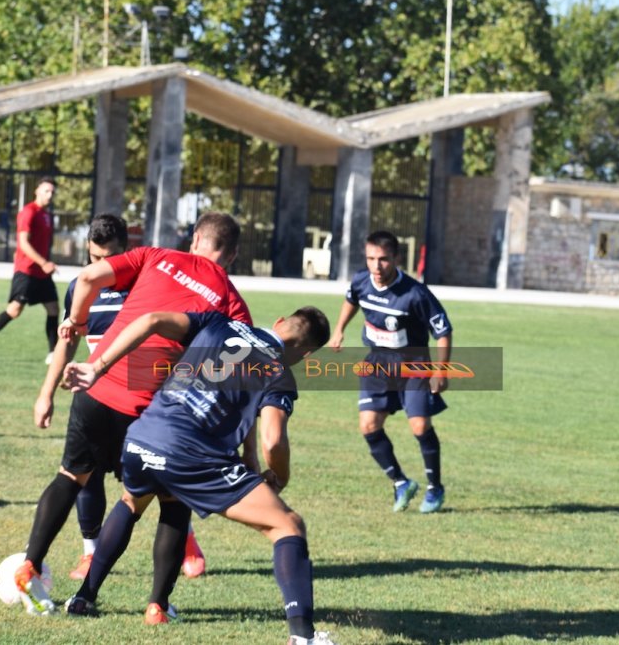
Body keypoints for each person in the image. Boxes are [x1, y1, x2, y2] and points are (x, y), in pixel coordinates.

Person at [12, 212, 251, 617]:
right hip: (153, 415)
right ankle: (157, 604)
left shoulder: (155, 255)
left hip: (97, 389)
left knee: (71, 476)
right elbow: (232, 379)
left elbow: (87, 279)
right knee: (170, 503)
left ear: (195, 238)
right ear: (233, 254)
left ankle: (31, 563)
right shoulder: (233, 305)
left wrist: (76, 322)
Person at [61, 306, 336, 645]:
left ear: (279, 321)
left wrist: (97, 367)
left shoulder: (220, 323)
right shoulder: (279, 371)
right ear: (306, 354)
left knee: (134, 501)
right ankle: (304, 638)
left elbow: (151, 319)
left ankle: (86, 598)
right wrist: (280, 476)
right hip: (190, 454)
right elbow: (274, 439)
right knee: (288, 525)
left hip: (144, 436)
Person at [32, 213, 130, 581]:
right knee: (86, 474)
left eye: (109, 259)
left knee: (158, 477)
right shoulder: (82, 286)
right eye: (94, 258)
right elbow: (67, 342)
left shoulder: (144, 285)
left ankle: (186, 543)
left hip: (142, 397)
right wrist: (46, 395)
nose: (100, 267)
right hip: (97, 395)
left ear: (126, 252)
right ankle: (90, 552)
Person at [328, 230, 452, 514]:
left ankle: (435, 489)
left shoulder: (415, 294)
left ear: (395, 258)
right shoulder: (361, 280)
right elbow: (351, 300)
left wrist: (441, 372)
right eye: (371, 258)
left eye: (383, 260)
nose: (376, 266)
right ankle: (400, 483)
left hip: (413, 367)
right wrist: (339, 330)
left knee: (420, 426)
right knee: (369, 425)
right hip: (376, 365)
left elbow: (444, 332)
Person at [0, 176, 60, 364]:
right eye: (46, 191)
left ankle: (53, 353)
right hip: (27, 270)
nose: (50, 195)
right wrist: (44, 262)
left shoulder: (47, 216)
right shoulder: (29, 212)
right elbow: (23, 243)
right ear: (36, 191)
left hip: (41, 273)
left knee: (53, 308)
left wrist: (45, 264)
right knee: (14, 310)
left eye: (52, 192)